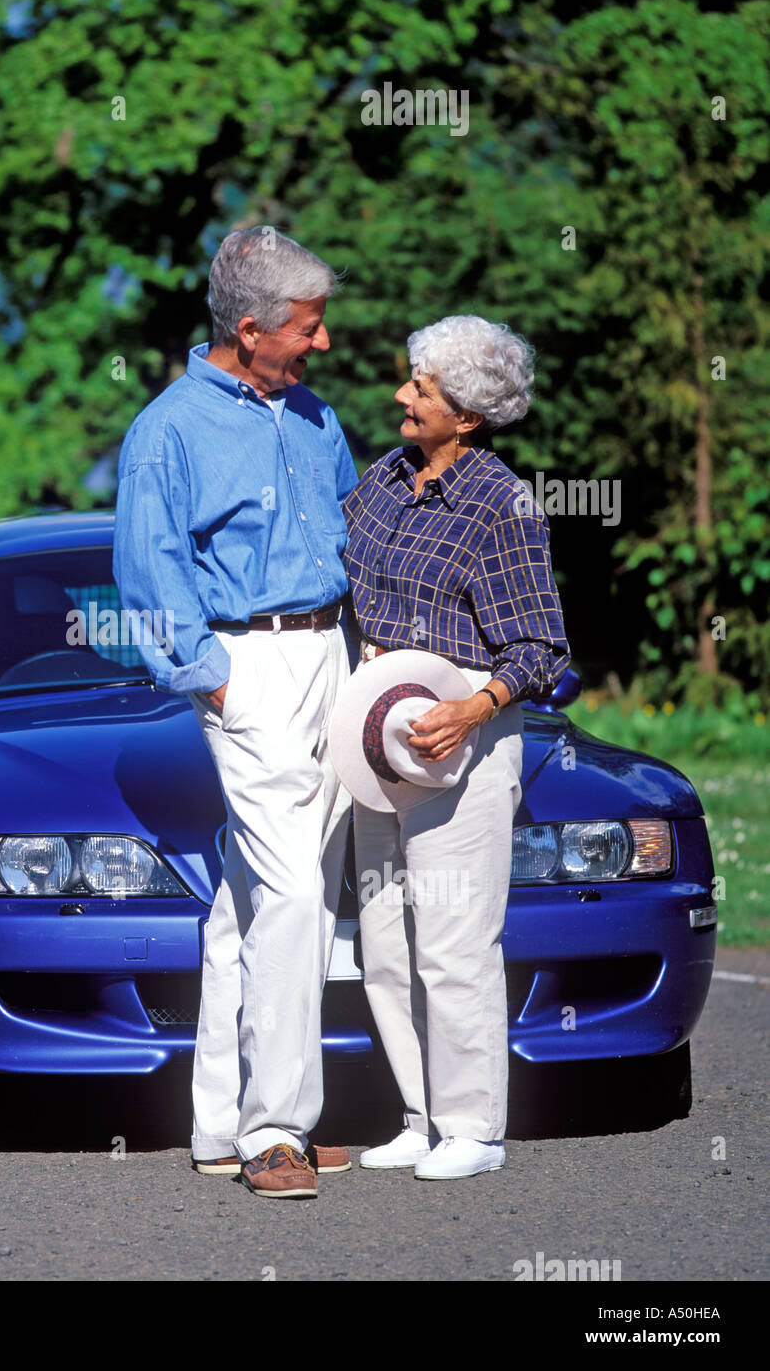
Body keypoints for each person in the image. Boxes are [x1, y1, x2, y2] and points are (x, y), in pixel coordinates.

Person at [113, 226, 359, 1198]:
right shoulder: (167, 429)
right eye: (307, 327)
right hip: (241, 664)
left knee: (251, 902)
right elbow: (148, 565)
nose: (323, 343)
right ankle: (276, 1130)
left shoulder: (314, 416)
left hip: (330, 656)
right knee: (296, 892)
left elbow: (355, 533)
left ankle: (218, 1123)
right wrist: (211, 675)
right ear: (249, 328)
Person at [342, 313, 570, 1179]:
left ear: (467, 416)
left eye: (422, 390)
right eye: (411, 378)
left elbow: (541, 648)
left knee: (454, 940)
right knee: (388, 943)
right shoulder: (386, 478)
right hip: (377, 741)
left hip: (461, 747)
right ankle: (418, 1114)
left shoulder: (501, 504)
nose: (402, 395)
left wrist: (473, 710)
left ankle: (474, 1131)